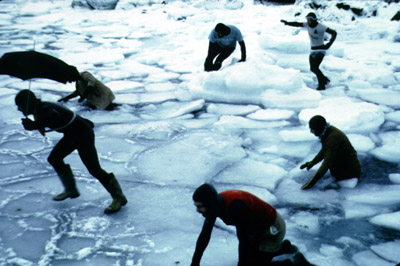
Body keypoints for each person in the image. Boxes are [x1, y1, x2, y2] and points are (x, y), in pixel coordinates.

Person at [15, 90, 127, 214]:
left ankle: (118, 197)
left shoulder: (44, 108)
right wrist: (35, 124)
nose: (19, 109)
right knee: (54, 158)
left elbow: (54, 117)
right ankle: (70, 189)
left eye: (19, 106)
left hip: (83, 135)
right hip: (73, 134)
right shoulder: (41, 107)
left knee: (94, 169)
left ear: (27, 104)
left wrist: (34, 125)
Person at [191, 183, 315, 266]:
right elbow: (204, 237)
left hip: (272, 229)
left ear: (209, 203)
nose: (197, 211)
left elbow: (244, 240)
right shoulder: (214, 206)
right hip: (256, 230)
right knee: (252, 257)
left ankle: (294, 262)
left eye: (199, 207)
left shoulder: (236, 206)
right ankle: (284, 248)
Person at [300, 115, 361, 190]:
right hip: (342, 167)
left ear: (318, 128)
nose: (311, 132)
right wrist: (312, 162)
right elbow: (324, 150)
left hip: (349, 173)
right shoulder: (326, 132)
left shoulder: (333, 137)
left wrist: (311, 182)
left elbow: (327, 162)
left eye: (312, 129)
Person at [281, 12, 337, 90]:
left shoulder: (321, 27)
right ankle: (324, 79)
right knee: (312, 68)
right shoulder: (307, 25)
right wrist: (287, 23)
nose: (308, 21)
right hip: (313, 50)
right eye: (307, 19)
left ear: (314, 20)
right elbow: (297, 24)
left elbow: (334, 33)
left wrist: (329, 44)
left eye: (309, 20)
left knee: (315, 68)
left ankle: (322, 85)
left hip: (321, 50)